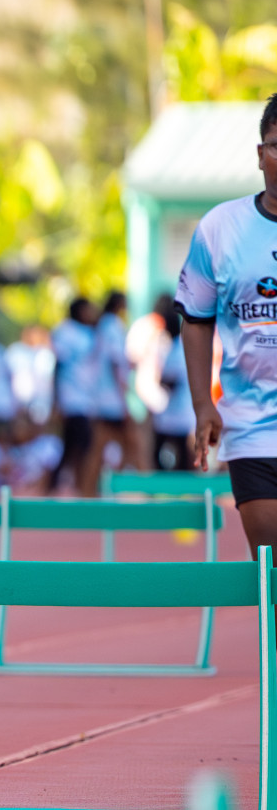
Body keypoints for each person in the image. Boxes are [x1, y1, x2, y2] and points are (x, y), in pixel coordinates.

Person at [176, 92, 277, 558]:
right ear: (260, 155)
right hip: (253, 425)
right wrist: (202, 404)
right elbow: (196, 321)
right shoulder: (220, 228)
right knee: (272, 566)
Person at [80, 291, 139, 493]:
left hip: (100, 398)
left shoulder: (101, 327)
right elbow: (114, 363)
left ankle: (91, 491)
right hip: (111, 400)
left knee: (100, 448)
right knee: (133, 444)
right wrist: (123, 398)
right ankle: (140, 491)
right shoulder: (113, 326)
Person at [46, 297, 98, 494]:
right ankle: (76, 485)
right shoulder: (65, 332)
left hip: (86, 399)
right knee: (80, 444)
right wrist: (56, 400)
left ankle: (57, 485)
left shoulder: (90, 332)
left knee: (71, 446)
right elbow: (58, 366)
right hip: (71, 397)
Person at [152, 296, 195, 471]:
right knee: (169, 455)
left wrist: (160, 381)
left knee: (180, 458)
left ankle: (187, 493)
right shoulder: (172, 347)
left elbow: (171, 381)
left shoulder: (177, 348)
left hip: (178, 414)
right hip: (173, 413)